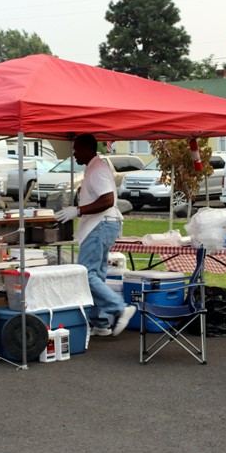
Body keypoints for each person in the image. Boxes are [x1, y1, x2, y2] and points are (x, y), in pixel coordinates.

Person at [55, 134, 135, 337]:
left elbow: (107, 199)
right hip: (104, 225)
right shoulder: (94, 168)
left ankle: (120, 308)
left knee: (86, 274)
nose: (74, 154)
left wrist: (79, 210)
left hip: (100, 225)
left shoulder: (97, 169)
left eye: (76, 149)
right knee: (97, 275)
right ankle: (100, 323)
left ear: (88, 149)